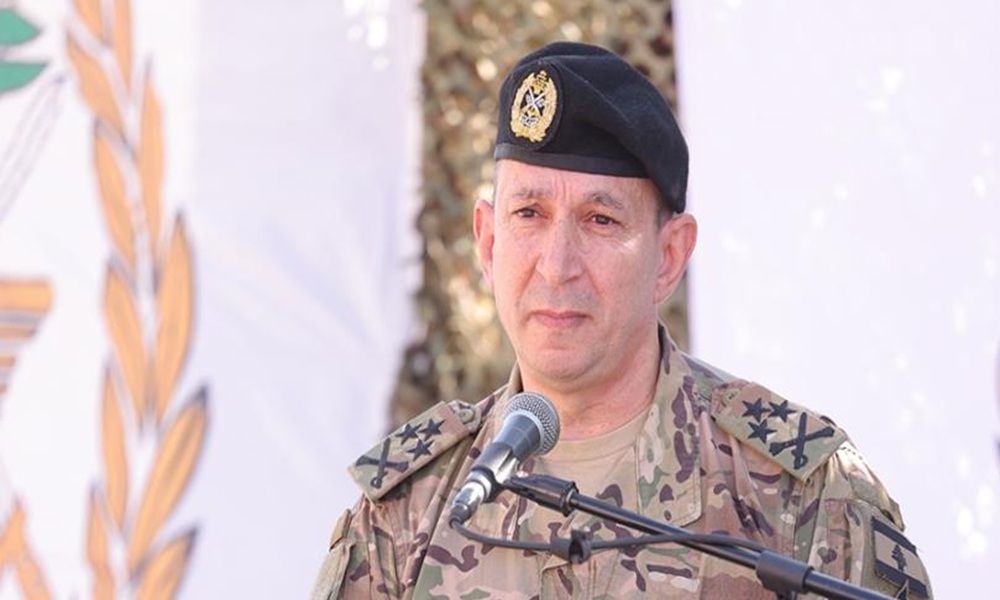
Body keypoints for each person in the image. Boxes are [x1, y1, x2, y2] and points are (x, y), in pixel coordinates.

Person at [311, 42, 932, 599]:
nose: (557, 266)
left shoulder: (802, 496)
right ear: (488, 242)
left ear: (669, 257)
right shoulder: (409, 511)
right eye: (528, 214)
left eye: (600, 221)